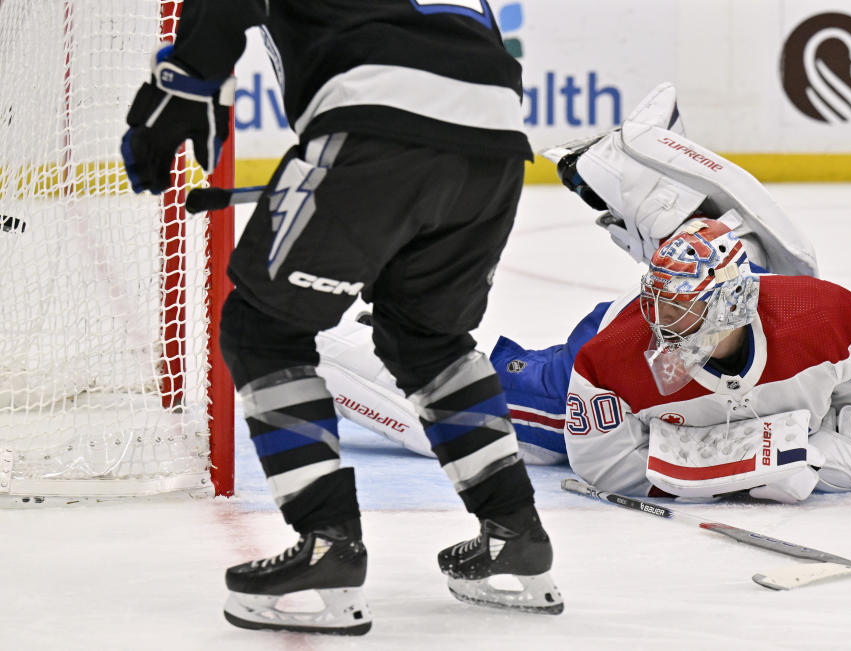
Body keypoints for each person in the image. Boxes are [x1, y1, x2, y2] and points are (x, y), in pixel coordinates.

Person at [120, 0, 562, 635]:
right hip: (493, 139)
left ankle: (327, 543)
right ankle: (516, 530)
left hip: (375, 120)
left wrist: (185, 81)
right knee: (428, 339)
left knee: (263, 327)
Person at [320, 83, 851, 507]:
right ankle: (329, 340)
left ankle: (636, 170)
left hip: (740, 316)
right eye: (662, 303)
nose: (664, 325)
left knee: (748, 261)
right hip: (595, 378)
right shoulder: (613, 361)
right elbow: (606, 467)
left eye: (682, 308)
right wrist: (779, 455)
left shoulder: (818, 314)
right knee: (485, 406)